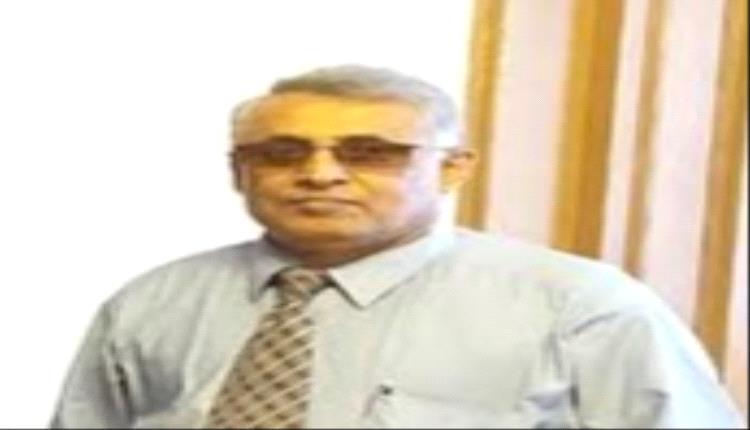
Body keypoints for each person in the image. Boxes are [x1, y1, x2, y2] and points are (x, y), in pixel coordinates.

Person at [50, 65, 744, 429]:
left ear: (453, 169)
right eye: (281, 152)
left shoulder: (579, 309)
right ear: (239, 171)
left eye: (370, 152)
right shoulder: (152, 305)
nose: (320, 173)